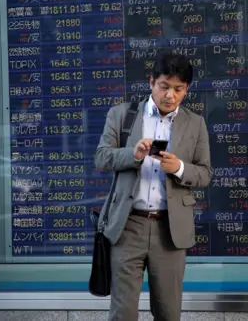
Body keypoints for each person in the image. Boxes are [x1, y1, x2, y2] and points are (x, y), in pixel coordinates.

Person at [94, 50, 212, 321]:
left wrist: (179, 168)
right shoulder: (122, 115)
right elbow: (101, 157)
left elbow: (205, 174)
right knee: (122, 313)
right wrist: (132, 154)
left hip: (170, 230)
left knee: (168, 312)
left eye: (178, 89)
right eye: (164, 87)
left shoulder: (195, 124)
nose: (170, 95)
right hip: (127, 226)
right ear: (151, 83)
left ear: (186, 90)